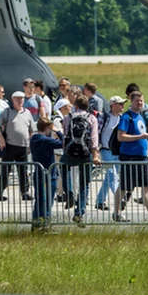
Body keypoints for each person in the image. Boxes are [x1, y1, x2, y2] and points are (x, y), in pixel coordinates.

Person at [114, 91, 148, 223]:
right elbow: (121, 136)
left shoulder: (140, 116)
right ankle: (117, 212)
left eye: (141, 101)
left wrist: (146, 153)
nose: (140, 103)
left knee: (146, 186)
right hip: (129, 157)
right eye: (137, 101)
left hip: (141, 157)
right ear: (131, 101)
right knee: (125, 186)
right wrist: (140, 137)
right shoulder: (127, 117)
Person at [61, 95, 100, 225]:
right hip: (85, 153)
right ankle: (79, 212)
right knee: (84, 184)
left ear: (75, 105)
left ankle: (69, 193)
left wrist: (65, 149)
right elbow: (94, 139)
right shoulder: (91, 118)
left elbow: (65, 134)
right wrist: (95, 155)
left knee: (64, 167)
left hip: (70, 151)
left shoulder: (68, 117)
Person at [0, 91, 35, 201]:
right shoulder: (7, 112)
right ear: (13, 100)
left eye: (22, 98)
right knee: (5, 170)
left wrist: (31, 144)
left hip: (23, 146)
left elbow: (31, 130)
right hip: (10, 145)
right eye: (17, 98)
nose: (20, 101)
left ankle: (25, 192)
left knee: (23, 171)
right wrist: (2, 140)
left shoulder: (27, 113)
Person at [29, 118, 64, 227]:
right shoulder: (45, 140)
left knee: (39, 200)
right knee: (48, 200)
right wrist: (58, 131)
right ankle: (45, 223)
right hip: (48, 174)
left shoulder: (34, 139)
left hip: (38, 172)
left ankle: (36, 223)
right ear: (47, 128)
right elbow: (63, 143)